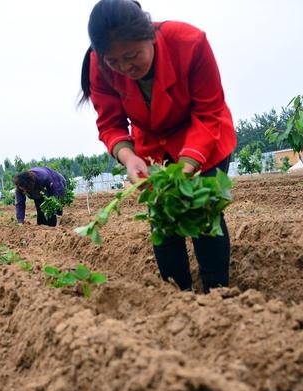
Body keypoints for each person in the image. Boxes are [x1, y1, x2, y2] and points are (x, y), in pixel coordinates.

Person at [80, 0, 237, 293]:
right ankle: (177, 296)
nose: (125, 67)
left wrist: (188, 165)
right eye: (114, 62)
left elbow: (209, 112)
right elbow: (111, 123)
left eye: (132, 55)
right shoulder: (98, 65)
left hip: (204, 136)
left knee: (204, 214)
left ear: (150, 35)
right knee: (163, 220)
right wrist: (128, 158)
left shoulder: (190, 43)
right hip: (152, 148)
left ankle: (218, 297)